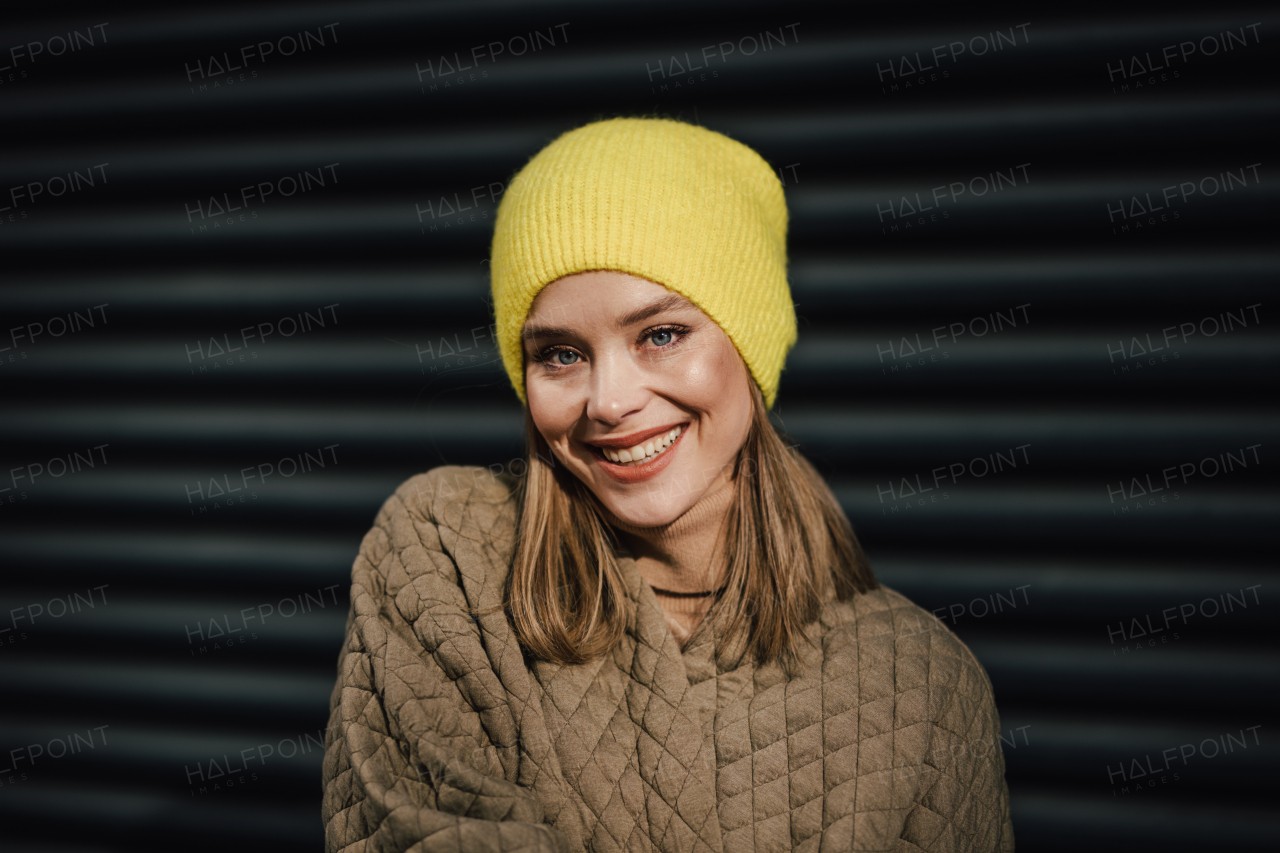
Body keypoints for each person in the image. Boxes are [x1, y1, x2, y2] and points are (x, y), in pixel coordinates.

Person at [322, 117, 1014, 852]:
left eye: (660, 334)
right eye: (560, 353)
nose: (609, 401)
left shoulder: (922, 681)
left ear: (747, 344)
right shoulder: (444, 554)